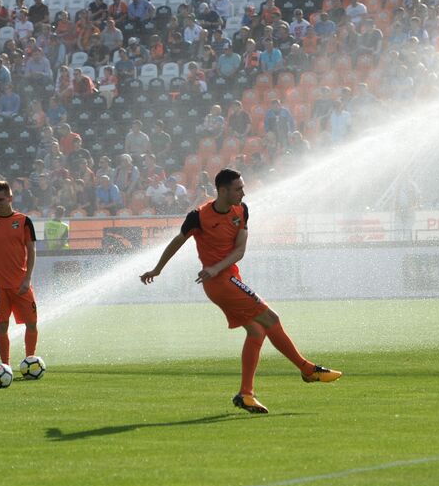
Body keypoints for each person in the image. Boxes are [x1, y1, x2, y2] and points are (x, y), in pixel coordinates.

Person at [139, 168, 342, 413]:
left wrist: (217, 267)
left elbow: (239, 251)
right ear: (222, 191)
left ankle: (246, 395)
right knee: (271, 319)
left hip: (226, 276)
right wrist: (157, 269)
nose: (243, 193)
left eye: (243, 188)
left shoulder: (241, 210)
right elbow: (177, 242)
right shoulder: (198, 217)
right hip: (219, 283)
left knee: (256, 331)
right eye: (238, 189)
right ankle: (307, 369)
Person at [0, 181, 40, 370]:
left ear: (10, 198)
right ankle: (5, 366)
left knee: (32, 324)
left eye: (1, 199)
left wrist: (27, 278)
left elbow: (32, 250)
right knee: (1, 326)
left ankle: (30, 361)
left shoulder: (24, 221)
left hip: (21, 284)